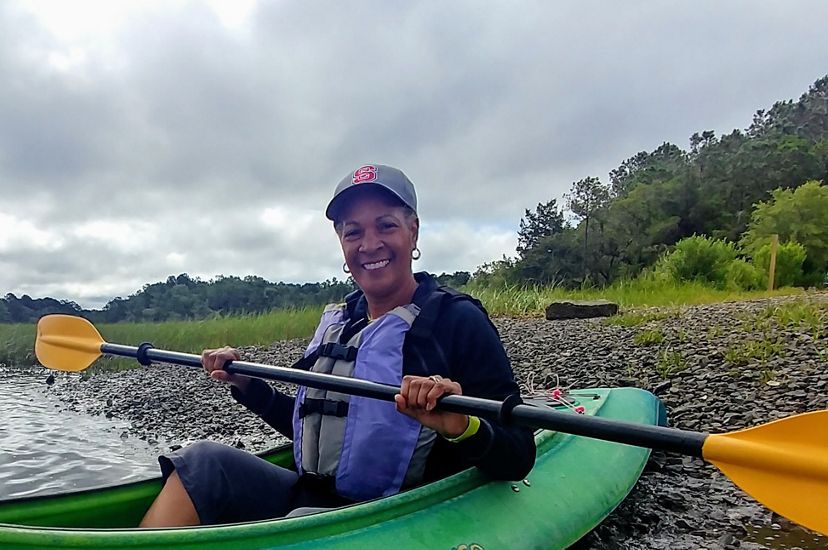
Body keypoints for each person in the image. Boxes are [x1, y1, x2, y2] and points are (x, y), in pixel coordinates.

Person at [140, 164, 536, 527]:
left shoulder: (456, 320)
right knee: (203, 461)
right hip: (311, 496)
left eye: (386, 226)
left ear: (413, 230)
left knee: (302, 518)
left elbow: (518, 455)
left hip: (393, 514)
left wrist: (459, 424)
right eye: (354, 231)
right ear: (341, 241)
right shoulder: (342, 321)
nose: (370, 244)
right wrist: (245, 384)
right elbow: (318, 427)